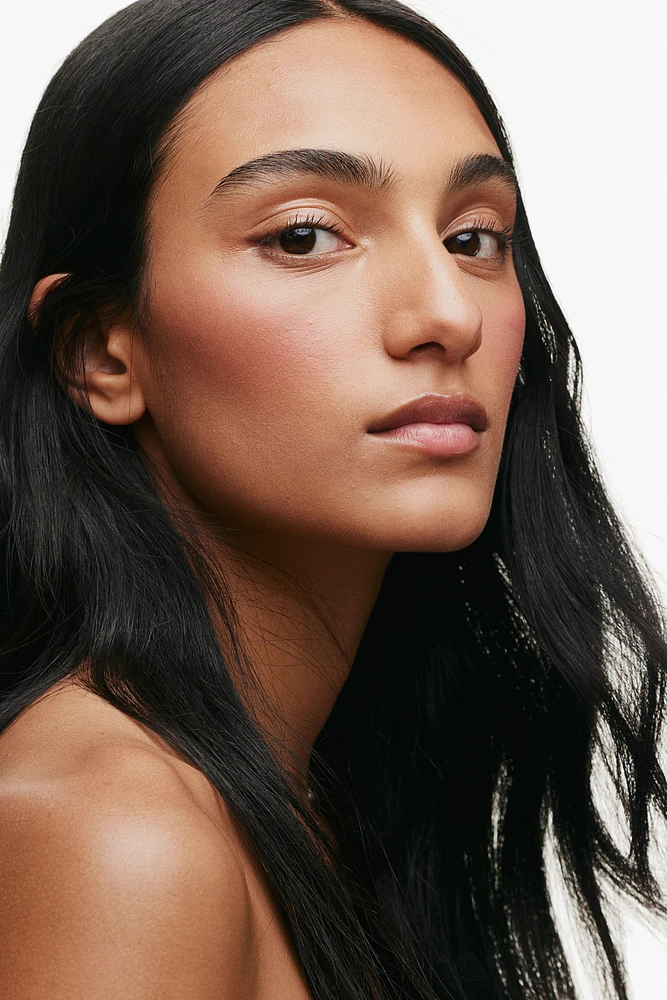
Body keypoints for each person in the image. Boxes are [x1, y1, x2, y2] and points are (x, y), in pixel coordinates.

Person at [0, 0, 665, 997]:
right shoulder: (115, 831)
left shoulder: (321, 802)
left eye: (474, 237)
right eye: (306, 235)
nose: (447, 312)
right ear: (99, 350)